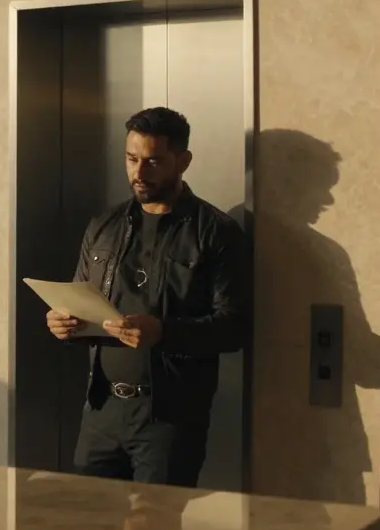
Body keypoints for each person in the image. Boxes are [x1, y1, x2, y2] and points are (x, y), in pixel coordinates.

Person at [46, 107, 249, 486]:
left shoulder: (215, 232)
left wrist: (164, 333)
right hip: (101, 412)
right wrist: (63, 324)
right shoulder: (103, 226)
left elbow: (234, 328)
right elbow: (79, 303)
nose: (139, 173)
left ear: (183, 161)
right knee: (89, 529)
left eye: (153, 161)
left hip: (168, 420)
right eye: (132, 159)